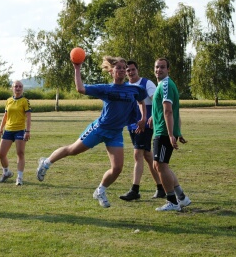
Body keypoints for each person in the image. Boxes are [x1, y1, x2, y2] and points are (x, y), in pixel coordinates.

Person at [36, 56, 147, 208]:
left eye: (124, 68)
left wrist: (143, 118)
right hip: (99, 129)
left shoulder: (134, 89)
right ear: (111, 71)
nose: (122, 70)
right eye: (118, 68)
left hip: (115, 133)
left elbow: (141, 101)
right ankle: (46, 162)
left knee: (117, 168)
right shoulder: (106, 89)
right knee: (72, 150)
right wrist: (77, 68)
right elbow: (81, 89)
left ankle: (100, 191)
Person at [119, 60, 166, 201]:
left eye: (133, 69)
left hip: (145, 125)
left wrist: (152, 117)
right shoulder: (126, 86)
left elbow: (157, 100)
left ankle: (135, 190)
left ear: (137, 70)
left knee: (137, 154)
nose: (131, 72)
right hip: (132, 125)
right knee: (147, 155)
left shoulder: (146, 83)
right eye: (128, 70)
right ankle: (161, 188)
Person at [151, 58, 191, 212]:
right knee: (160, 165)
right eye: (157, 67)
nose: (159, 70)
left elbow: (168, 111)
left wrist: (170, 134)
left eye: (162, 67)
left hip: (163, 132)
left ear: (168, 69)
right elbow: (174, 112)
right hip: (162, 131)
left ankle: (172, 201)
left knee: (160, 166)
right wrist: (177, 132)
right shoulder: (163, 84)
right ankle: (181, 197)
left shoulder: (166, 85)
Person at [0, 80, 32, 186]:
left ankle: (19, 177)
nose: (18, 88)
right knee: (1, 154)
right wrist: (0, 128)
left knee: (20, 153)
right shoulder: (8, 101)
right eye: (16, 86)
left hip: (20, 130)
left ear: (22, 89)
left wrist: (27, 131)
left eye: (20, 86)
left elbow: (28, 117)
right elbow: (5, 115)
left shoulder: (25, 101)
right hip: (8, 130)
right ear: (12, 88)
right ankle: (6, 172)